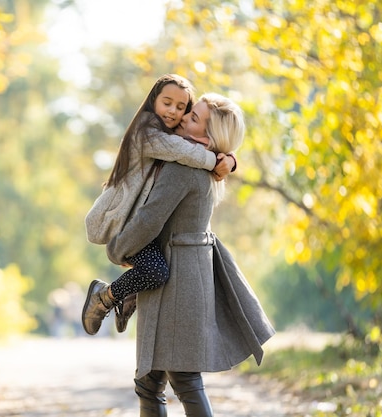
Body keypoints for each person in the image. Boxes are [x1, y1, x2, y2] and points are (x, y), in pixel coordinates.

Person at [106, 93, 275, 417]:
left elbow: (149, 219)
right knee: (150, 382)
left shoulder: (183, 169)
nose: (183, 118)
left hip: (176, 284)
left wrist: (117, 248)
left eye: (193, 118)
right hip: (183, 276)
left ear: (208, 137)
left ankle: (108, 297)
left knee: (182, 377)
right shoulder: (205, 165)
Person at [82, 74, 237, 336]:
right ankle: (105, 297)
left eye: (181, 108)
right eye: (167, 103)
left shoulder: (171, 131)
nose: (174, 112)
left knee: (155, 270)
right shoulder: (147, 133)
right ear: (154, 100)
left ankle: (129, 296)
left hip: (144, 228)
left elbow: (206, 138)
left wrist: (230, 157)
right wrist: (220, 162)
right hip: (126, 223)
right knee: (155, 272)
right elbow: (185, 151)